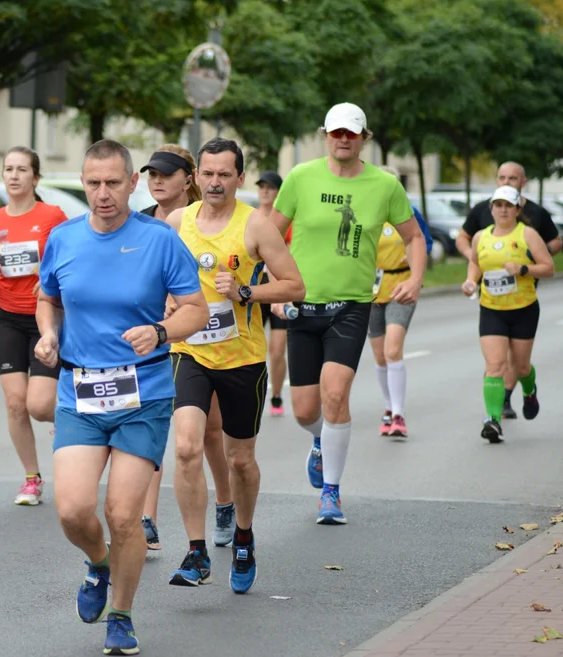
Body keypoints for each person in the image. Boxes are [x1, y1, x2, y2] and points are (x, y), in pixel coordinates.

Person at [34, 139, 208, 656]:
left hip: (144, 393)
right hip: (80, 390)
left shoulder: (158, 239)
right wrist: (48, 332)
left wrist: (160, 331)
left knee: (124, 514)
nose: (103, 193)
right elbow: (47, 296)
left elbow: (196, 310)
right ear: (82, 183)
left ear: (133, 183)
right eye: (93, 183)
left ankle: (122, 613)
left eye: (114, 183)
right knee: (71, 510)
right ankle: (99, 563)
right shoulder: (63, 239)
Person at [270, 102, 426, 525]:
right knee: (305, 409)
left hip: (351, 306)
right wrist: (274, 289)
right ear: (325, 134)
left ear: (364, 139)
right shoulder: (301, 178)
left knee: (335, 394)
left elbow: (414, 237)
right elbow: (268, 236)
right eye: (336, 132)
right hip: (302, 304)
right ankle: (321, 439)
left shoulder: (385, 186)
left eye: (351, 133)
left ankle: (332, 493)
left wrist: (415, 278)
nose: (343, 139)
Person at [164, 138, 304, 593]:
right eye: (207, 173)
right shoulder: (175, 222)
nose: (215, 182)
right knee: (186, 447)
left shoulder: (256, 226)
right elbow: (155, 278)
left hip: (242, 357)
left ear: (240, 179)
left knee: (239, 459)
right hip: (190, 351)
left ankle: (243, 534)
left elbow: (295, 287)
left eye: (225, 174)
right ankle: (197, 550)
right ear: (194, 177)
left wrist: (245, 291)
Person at [137, 145, 235, 551]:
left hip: (205, 338)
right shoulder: (139, 222)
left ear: (188, 178)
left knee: (212, 432)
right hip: (154, 336)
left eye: (165, 174)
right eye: (151, 174)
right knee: (157, 425)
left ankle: (226, 502)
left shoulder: (201, 219)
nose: (156, 181)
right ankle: (147, 519)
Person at [0, 146, 68, 506]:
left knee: (40, 405)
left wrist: (45, 274)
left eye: (22, 169)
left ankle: (71, 418)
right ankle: (32, 479)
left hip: (45, 316)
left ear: (35, 178)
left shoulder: (51, 216)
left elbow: (67, 259)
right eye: (8, 169)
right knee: (15, 404)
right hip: (8, 318)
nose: (14, 175)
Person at [455, 161, 560, 419]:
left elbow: (549, 268)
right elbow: (475, 263)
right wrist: (470, 282)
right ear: (491, 208)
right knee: (495, 366)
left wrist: (523, 269)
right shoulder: (481, 236)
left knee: (521, 367)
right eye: (498, 205)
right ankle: (492, 420)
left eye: (508, 206)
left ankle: (529, 389)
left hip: (523, 308)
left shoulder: (529, 235)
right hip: (491, 308)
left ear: (516, 209)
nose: (503, 210)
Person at [370, 167, 434, 439]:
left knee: (393, 349)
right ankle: (387, 406)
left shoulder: (408, 213)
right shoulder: (366, 213)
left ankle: (398, 414)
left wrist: (415, 266)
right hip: (371, 289)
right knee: (380, 355)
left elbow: (425, 242)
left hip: (401, 285)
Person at [255, 170, 294, 417]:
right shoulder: (250, 218)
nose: (265, 191)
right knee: (255, 349)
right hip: (257, 292)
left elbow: (290, 253)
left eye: (270, 187)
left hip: (279, 291)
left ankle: (277, 394)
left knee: (277, 350)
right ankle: (253, 393)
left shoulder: (286, 222)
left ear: (278, 192)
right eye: (262, 187)